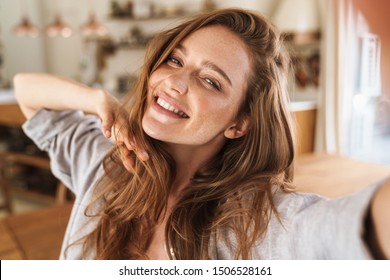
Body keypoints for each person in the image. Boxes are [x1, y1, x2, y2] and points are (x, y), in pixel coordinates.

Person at [14, 8, 390, 260]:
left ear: (240, 123)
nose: (175, 82)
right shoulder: (107, 165)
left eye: (210, 81)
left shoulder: (258, 223)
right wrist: (96, 99)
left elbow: (366, 228)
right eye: (175, 60)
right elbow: (26, 90)